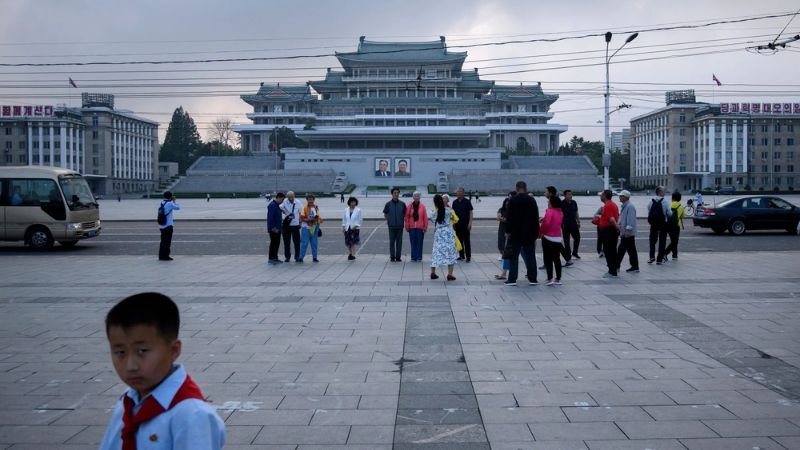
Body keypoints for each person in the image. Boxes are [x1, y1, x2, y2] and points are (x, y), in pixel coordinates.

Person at [99, 293, 225, 450]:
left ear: (174, 350)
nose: (130, 366)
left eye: (142, 351)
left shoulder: (191, 415)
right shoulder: (127, 402)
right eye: (120, 353)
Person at [504, 181, 539, 286]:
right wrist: (535, 233)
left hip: (515, 233)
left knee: (514, 257)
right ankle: (533, 279)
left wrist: (507, 231)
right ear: (525, 188)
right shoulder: (531, 200)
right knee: (530, 256)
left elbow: (509, 218)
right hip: (529, 233)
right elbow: (535, 218)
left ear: (517, 188)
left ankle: (512, 279)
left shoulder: (513, 200)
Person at [429, 194, 458, 281]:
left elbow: (433, 220)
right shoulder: (448, 210)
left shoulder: (433, 212)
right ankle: (450, 274)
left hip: (438, 233)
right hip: (447, 232)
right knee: (450, 252)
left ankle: (433, 272)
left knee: (436, 251)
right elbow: (453, 218)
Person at [540, 195, 564, 286]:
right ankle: (558, 279)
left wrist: (541, 232)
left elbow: (546, 224)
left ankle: (549, 278)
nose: (547, 203)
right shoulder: (561, 212)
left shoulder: (549, 211)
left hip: (548, 237)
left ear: (551, 203)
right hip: (557, 238)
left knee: (548, 259)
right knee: (557, 259)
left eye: (548, 202)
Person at [647, 186, 672, 265]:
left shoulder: (651, 201)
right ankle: (659, 259)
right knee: (662, 241)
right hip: (662, 223)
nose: (664, 192)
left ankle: (651, 257)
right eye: (664, 191)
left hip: (653, 224)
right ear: (660, 192)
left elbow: (649, 211)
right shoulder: (665, 202)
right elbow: (669, 213)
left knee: (652, 240)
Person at [616, 190, 639, 273]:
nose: (619, 197)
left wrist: (628, 231)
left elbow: (631, 220)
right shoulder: (625, 206)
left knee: (621, 250)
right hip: (625, 232)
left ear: (625, 197)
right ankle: (635, 266)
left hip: (627, 233)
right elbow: (622, 218)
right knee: (631, 250)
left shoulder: (630, 206)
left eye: (621, 196)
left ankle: (616, 266)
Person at [598, 189, 620, 278]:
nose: (600, 196)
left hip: (609, 231)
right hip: (610, 230)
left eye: (601, 195)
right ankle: (613, 270)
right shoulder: (612, 204)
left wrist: (616, 228)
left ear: (604, 196)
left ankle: (612, 271)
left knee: (609, 251)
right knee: (612, 250)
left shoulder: (608, 206)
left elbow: (611, 219)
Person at [383, 187, 407, 262]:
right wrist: (389, 221)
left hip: (400, 226)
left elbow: (405, 214)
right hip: (391, 226)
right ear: (392, 194)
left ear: (399, 194)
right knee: (392, 242)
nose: (396, 194)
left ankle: (398, 257)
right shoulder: (388, 204)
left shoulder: (402, 204)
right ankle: (392, 257)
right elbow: (385, 213)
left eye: (397, 193)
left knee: (399, 242)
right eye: (394, 193)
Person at [298, 194, 323, 263]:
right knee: (304, 243)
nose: (310, 200)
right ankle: (301, 257)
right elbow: (302, 217)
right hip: (306, 228)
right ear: (307, 200)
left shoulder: (316, 207)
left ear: (313, 200)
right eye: (309, 199)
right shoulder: (304, 208)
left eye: (311, 199)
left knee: (314, 243)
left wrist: (318, 220)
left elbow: (318, 217)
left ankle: (315, 257)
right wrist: (309, 219)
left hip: (314, 227)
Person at [494, 193, 514, 279]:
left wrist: (504, 219)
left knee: (523, 255)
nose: (507, 204)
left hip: (510, 233)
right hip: (504, 231)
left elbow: (510, 221)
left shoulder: (513, 210)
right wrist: (505, 219)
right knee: (502, 248)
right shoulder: (501, 209)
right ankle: (504, 273)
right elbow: (498, 217)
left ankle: (505, 273)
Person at [404, 191, 428, 262]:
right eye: (415, 196)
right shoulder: (409, 206)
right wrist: (407, 226)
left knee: (420, 242)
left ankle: (419, 257)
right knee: (413, 242)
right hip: (411, 227)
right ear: (413, 197)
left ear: (420, 197)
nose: (416, 197)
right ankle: (413, 256)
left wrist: (425, 227)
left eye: (418, 196)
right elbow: (407, 217)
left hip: (420, 227)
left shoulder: (422, 206)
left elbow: (425, 217)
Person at [452, 187, 474, 262]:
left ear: (463, 193)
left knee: (467, 241)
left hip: (466, 225)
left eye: (460, 191)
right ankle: (461, 256)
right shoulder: (454, 202)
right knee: (459, 241)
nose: (459, 193)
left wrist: (470, 223)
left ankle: (468, 257)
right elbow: (453, 214)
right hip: (457, 225)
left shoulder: (467, 201)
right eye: (457, 192)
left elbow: (470, 213)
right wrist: (453, 224)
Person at [280, 191, 302, 262]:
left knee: (297, 242)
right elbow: (280, 207)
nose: (291, 198)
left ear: (294, 196)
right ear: (287, 197)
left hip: (295, 224)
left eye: (292, 197)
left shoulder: (298, 202)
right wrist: (286, 212)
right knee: (286, 242)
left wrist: (300, 222)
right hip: (286, 225)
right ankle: (287, 257)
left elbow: (301, 212)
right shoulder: (285, 202)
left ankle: (297, 256)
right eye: (289, 197)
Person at [158, 191, 180, 261]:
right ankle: (166, 256)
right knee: (167, 242)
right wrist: (174, 201)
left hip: (161, 225)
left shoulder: (162, 202)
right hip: (168, 225)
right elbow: (178, 207)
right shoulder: (170, 203)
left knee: (162, 241)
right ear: (170, 196)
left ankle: (161, 256)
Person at [664, 191, 685, 261]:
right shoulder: (681, 206)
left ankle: (675, 255)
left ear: (672, 198)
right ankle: (665, 253)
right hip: (676, 225)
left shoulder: (669, 205)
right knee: (675, 241)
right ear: (680, 198)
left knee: (673, 240)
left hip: (668, 225)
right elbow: (682, 216)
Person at [561, 189, 581, 262]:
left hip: (573, 223)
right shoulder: (561, 203)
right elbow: (560, 214)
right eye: (568, 194)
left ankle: (575, 252)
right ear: (565, 195)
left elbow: (576, 212)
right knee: (567, 241)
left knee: (577, 238)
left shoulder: (574, 202)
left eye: (571, 194)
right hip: (565, 225)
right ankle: (568, 255)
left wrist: (578, 221)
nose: (570, 196)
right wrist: (561, 223)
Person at [266, 192, 285, 265]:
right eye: (282, 200)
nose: (282, 201)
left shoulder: (277, 205)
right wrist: (273, 228)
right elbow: (270, 218)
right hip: (274, 229)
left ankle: (275, 257)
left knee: (276, 243)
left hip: (278, 228)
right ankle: (271, 258)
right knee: (274, 243)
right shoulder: (273, 205)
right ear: (278, 198)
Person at [342, 196, 362, 260]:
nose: (353, 203)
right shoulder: (346, 209)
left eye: (354, 202)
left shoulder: (358, 210)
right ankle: (350, 253)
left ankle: (353, 254)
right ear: (349, 203)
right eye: (352, 202)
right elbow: (344, 219)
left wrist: (356, 226)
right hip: (347, 228)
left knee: (353, 242)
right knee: (348, 242)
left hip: (355, 228)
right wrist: (343, 226)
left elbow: (360, 219)